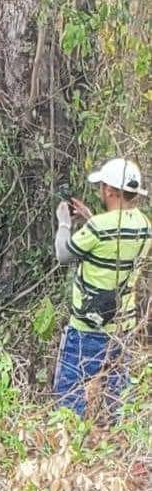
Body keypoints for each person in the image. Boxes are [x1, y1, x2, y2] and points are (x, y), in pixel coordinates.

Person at [53, 158, 150, 416]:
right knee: (117, 392)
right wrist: (90, 218)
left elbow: (63, 255)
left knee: (69, 391)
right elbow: (115, 240)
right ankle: (116, 445)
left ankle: (70, 443)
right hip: (123, 325)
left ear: (108, 190)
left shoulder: (99, 227)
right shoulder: (145, 225)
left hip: (88, 326)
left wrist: (64, 222)